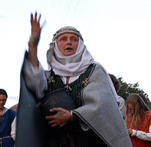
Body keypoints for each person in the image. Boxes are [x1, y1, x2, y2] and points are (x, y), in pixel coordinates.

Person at [17, 12, 132, 147]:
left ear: (80, 44)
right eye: (63, 39)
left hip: (89, 142)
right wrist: (34, 40)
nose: (69, 42)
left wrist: (73, 115)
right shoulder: (48, 76)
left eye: (74, 39)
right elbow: (32, 75)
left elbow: (104, 106)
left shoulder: (94, 71)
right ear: (55, 45)